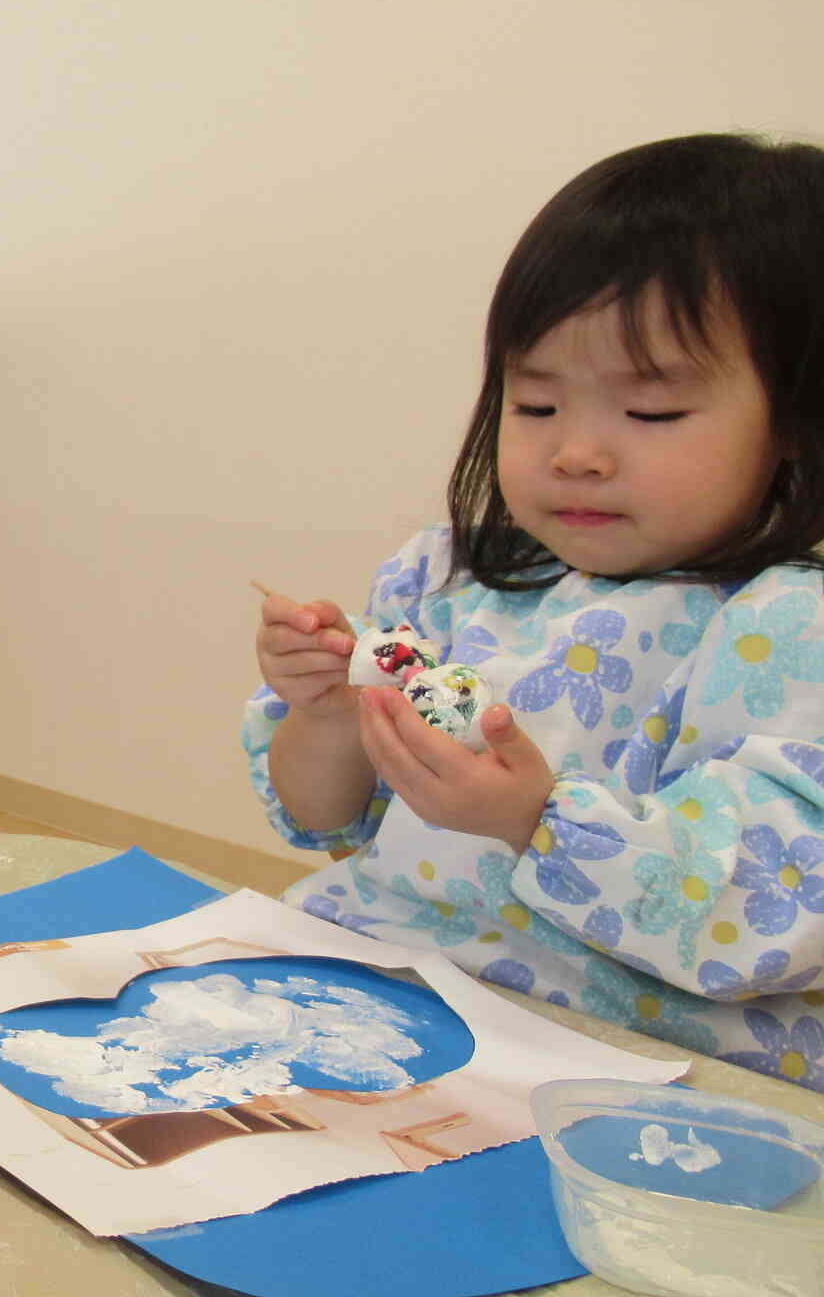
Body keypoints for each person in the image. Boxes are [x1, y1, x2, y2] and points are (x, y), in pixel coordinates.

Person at [246, 132, 824, 1093]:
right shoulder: (449, 579)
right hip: (396, 989)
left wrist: (539, 821)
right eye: (538, 405)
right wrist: (327, 713)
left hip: (639, 1060)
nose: (578, 454)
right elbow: (323, 821)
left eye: (651, 415)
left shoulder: (785, 628)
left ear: (798, 427)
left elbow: (772, 917)